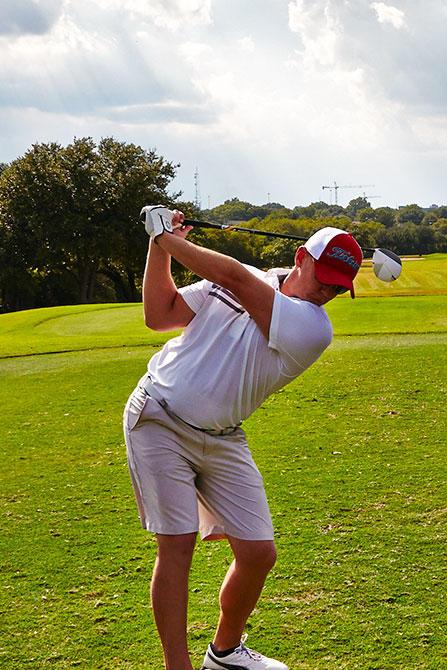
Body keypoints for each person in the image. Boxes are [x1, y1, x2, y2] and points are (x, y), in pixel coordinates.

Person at [125, 206, 359, 670]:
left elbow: (236, 278)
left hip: (221, 436)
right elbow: (160, 315)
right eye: (326, 277)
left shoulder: (313, 327)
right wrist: (157, 246)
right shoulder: (237, 279)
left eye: (339, 286)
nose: (329, 290)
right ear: (301, 258)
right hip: (158, 418)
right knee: (178, 542)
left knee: (257, 553)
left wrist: (168, 237)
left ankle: (225, 652)